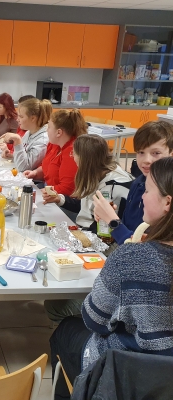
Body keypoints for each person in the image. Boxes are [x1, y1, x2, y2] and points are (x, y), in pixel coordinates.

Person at [49, 157, 173, 400]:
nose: (142, 197)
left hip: (124, 374)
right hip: (165, 382)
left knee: (65, 331)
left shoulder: (133, 256)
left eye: (148, 191)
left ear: (167, 202)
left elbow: (94, 320)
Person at [93, 120, 173, 245]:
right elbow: (130, 231)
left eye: (156, 153)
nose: (147, 160)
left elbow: (146, 249)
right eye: (141, 152)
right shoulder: (137, 183)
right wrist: (108, 216)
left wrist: (113, 222)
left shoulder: (166, 192)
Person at [46, 134, 133, 232]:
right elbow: (85, 207)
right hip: (86, 228)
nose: (72, 157)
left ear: (84, 159)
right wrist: (59, 199)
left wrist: (73, 232)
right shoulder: (95, 171)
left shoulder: (113, 187)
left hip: (95, 234)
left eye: (74, 153)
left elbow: (105, 228)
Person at [23, 109, 87, 195]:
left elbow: (67, 189)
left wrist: (40, 193)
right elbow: (48, 166)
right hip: (48, 189)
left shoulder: (72, 153)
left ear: (59, 132)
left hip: (61, 198)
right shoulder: (54, 144)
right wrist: (35, 173)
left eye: (49, 127)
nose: (47, 130)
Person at [0, 98, 51, 172]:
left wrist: (17, 140)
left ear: (33, 118)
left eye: (21, 116)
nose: (17, 119)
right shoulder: (29, 132)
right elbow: (24, 156)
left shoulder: (43, 140)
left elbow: (23, 168)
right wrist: (13, 156)